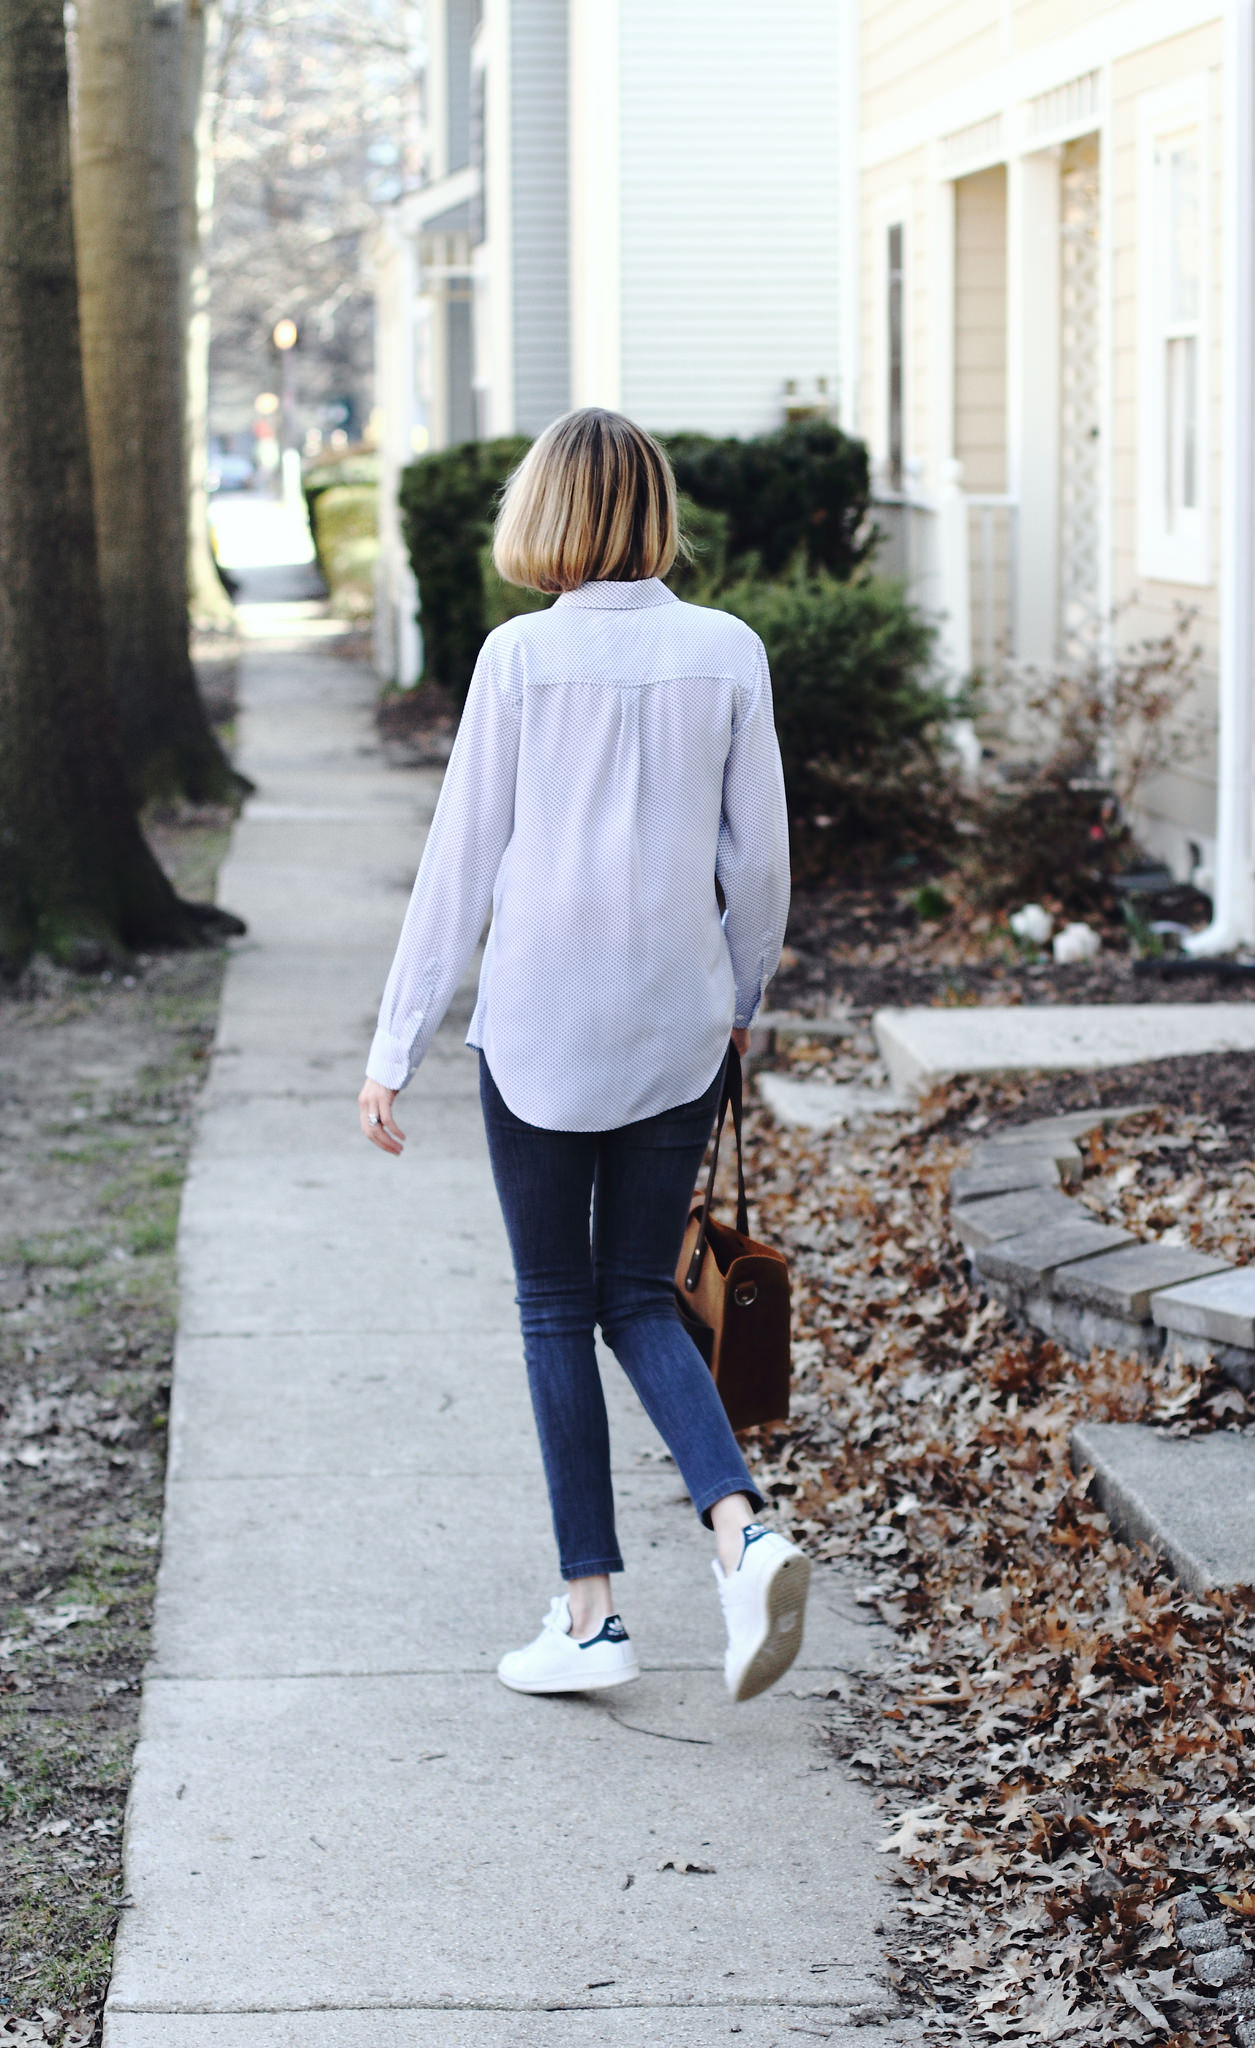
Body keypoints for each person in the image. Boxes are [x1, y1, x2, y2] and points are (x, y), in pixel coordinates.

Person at [358, 407, 808, 1703]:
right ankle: (743, 1533)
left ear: (545, 513)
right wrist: (741, 996)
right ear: (657, 511)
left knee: (557, 1306)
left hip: (541, 1024)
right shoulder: (728, 652)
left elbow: (458, 868)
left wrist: (396, 1045)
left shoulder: (515, 661)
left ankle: (592, 1617)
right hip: (675, 1022)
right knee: (636, 1297)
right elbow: (760, 866)